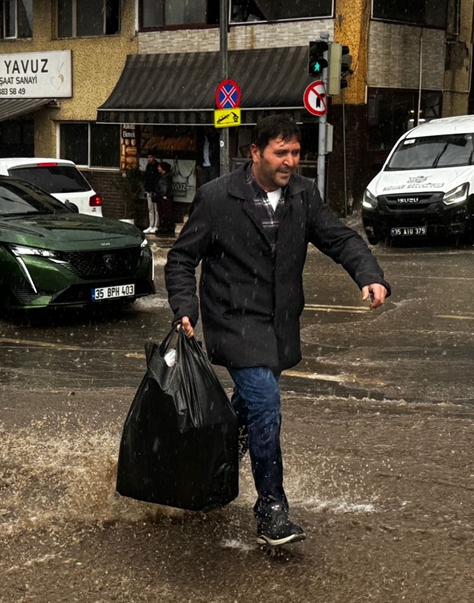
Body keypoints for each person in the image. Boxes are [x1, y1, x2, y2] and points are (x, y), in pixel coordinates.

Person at [164, 114, 391, 547]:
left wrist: (368, 274)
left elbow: (339, 238)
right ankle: (271, 509)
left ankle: (207, 472)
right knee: (266, 404)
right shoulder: (216, 198)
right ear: (255, 152)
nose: (289, 161)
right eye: (280, 152)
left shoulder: (304, 195)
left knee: (248, 411)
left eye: (295, 153)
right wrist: (185, 307)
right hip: (234, 322)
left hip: (279, 326)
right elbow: (180, 259)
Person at [143, 154, 161, 234]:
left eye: (150, 157)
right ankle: (151, 224)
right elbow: (146, 178)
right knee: (150, 208)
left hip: (155, 190)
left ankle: (156, 225)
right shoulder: (148, 166)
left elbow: (157, 179)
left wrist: (156, 189)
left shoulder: (157, 166)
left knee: (156, 208)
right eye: (148, 157)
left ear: (154, 157)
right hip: (149, 189)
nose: (149, 159)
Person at [156, 161, 174, 237]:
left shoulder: (166, 177)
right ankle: (163, 226)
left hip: (164, 197)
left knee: (165, 212)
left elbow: (166, 186)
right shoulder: (161, 176)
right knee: (162, 212)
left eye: (159, 167)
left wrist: (165, 195)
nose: (158, 168)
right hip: (161, 196)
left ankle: (165, 226)